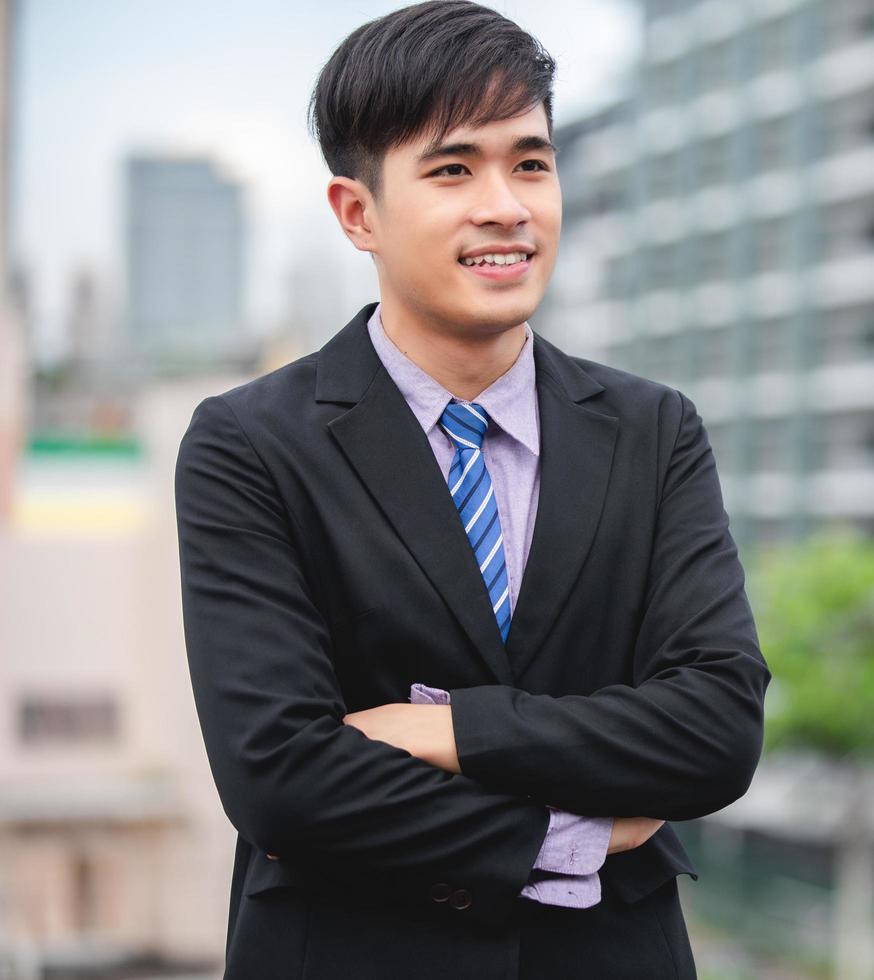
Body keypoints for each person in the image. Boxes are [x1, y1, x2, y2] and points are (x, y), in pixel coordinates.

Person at [173, 2, 770, 976]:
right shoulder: (251, 443)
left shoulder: (654, 430)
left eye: (530, 162)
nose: (508, 204)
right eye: (453, 169)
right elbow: (281, 773)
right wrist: (572, 833)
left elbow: (713, 729)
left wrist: (446, 729)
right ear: (358, 212)